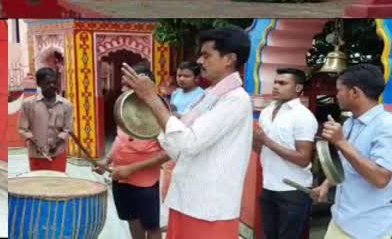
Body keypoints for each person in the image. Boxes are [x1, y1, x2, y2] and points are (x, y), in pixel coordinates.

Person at [122, 26, 253, 239]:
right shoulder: (211, 96)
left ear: (229, 59)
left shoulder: (236, 99)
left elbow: (188, 142)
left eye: (206, 55)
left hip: (209, 209)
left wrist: (152, 99)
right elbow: (177, 142)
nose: (200, 61)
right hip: (188, 200)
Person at [311, 64, 392, 239]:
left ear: (354, 92)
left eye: (339, 90)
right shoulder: (349, 123)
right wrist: (326, 185)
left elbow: (381, 178)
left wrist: (340, 142)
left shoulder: (386, 125)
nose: (336, 95)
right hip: (341, 220)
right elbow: (346, 166)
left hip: (370, 229)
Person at [95, 62, 169, 239]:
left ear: (145, 84)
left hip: (145, 184)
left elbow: (169, 153)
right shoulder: (126, 107)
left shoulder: (159, 112)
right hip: (121, 180)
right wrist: (107, 160)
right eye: (123, 84)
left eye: (128, 84)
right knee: (132, 221)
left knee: (151, 226)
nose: (122, 88)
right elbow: (120, 140)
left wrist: (131, 169)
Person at [255, 67, 318, 239]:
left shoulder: (303, 116)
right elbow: (261, 149)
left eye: (282, 83)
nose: (276, 86)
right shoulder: (267, 112)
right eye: (275, 82)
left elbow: (304, 159)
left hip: (293, 189)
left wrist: (266, 141)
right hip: (268, 186)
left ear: (298, 88)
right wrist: (254, 140)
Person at [18, 66, 74, 172]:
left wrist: (58, 142)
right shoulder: (28, 104)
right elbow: (22, 129)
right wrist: (34, 142)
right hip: (36, 155)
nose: (52, 85)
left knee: (58, 184)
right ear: (39, 84)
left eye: (54, 82)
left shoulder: (67, 105)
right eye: (47, 83)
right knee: (39, 185)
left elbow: (68, 128)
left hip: (58, 154)